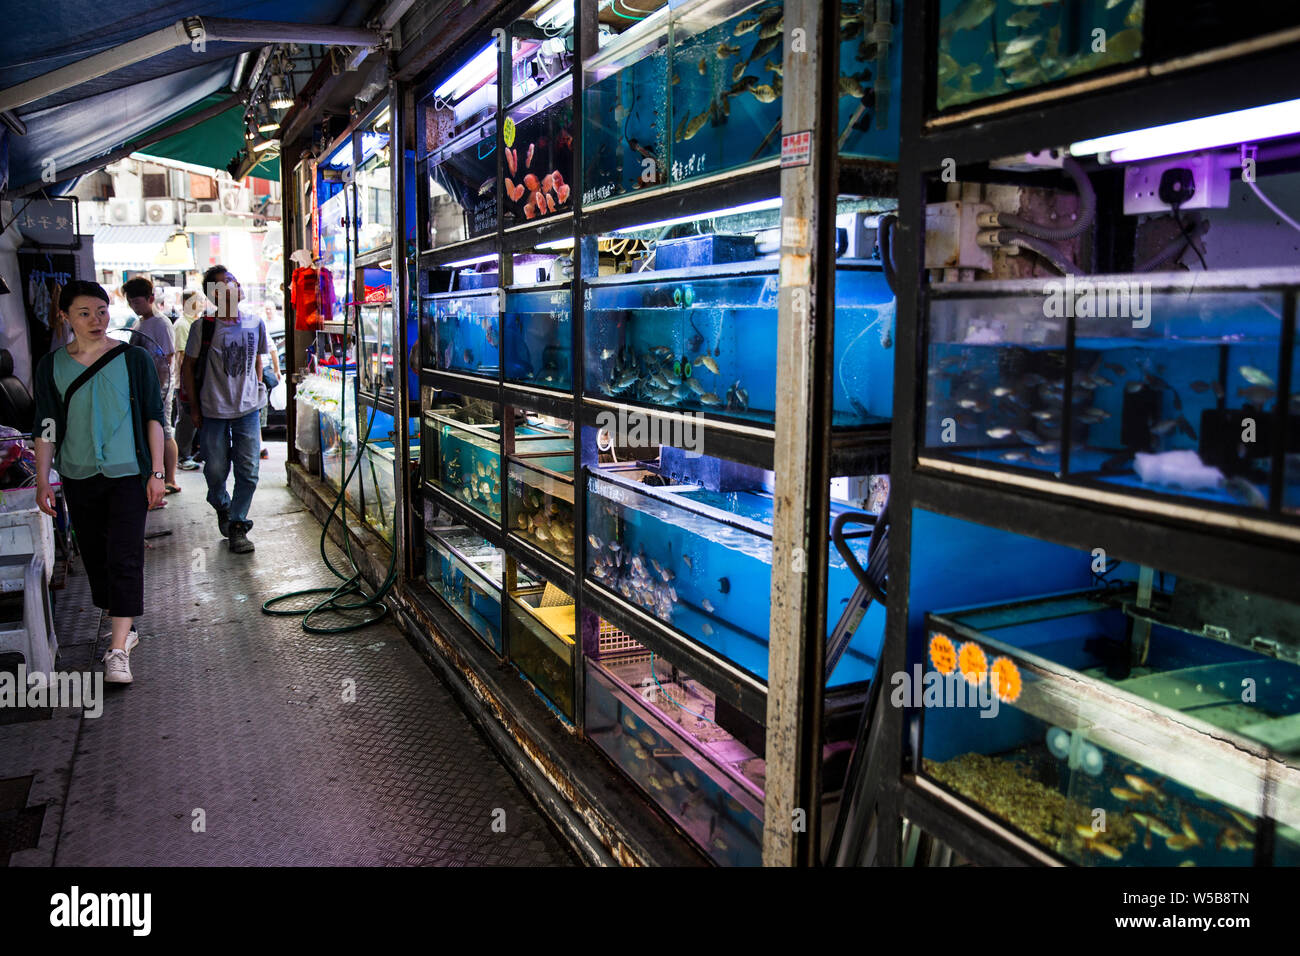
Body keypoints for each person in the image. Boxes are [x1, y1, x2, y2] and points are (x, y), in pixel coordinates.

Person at [32, 280, 166, 685]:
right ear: (65, 317)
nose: (95, 320)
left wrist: (158, 473)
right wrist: (42, 480)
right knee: (95, 556)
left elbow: (153, 418)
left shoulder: (134, 359)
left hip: (128, 474)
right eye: (84, 313)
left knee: (125, 555)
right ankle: (123, 622)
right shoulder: (51, 366)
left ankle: (117, 649)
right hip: (77, 475)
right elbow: (47, 425)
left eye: (102, 311)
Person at [181, 265, 269, 554]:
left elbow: (258, 358)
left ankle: (238, 524)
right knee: (217, 470)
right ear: (214, 295)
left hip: (247, 411)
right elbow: (188, 367)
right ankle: (221, 502)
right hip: (212, 411)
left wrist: (255, 388)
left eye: (233, 280)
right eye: (223, 284)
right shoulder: (203, 327)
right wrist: (194, 409)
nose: (232, 286)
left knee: (249, 471)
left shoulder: (255, 322)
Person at [123, 277, 180, 499]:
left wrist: (159, 389)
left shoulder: (161, 323)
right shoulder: (140, 322)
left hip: (159, 388)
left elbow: (167, 358)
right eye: (130, 302)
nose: (134, 306)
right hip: (144, 389)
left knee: (164, 430)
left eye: (137, 302)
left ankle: (171, 480)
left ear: (150, 298)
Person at [173, 291, 203, 471]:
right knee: (186, 420)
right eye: (197, 301)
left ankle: (195, 453)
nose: (201, 304)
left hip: (196, 381)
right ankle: (183, 457)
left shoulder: (195, 323)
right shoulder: (183, 324)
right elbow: (183, 357)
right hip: (184, 383)